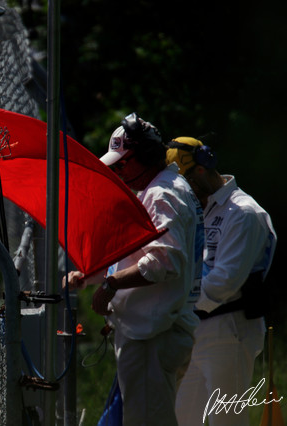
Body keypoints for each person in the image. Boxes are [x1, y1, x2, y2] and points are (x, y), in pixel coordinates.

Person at [64, 113, 203, 426]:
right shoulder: (161, 186)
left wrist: (110, 285)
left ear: (147, 156)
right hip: (154, 334)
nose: (118, 171)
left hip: (152, 338)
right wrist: (90, 276)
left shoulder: (161, 193)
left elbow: (166, 261)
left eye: (123, 163)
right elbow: (138, 252)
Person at [168, 137, 277, 426]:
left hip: (229, 329)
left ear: (201, 171)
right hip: (194, 327)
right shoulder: (200, 208)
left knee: (226, 420)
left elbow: (223, 283)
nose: (180, 192)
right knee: (182, 417)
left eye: (184, 183)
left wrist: (175, 298)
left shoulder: (243, 213)